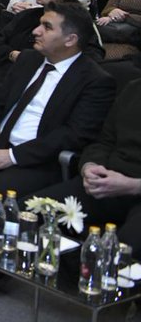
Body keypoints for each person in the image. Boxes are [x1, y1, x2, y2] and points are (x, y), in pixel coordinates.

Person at [0, 3, 115, 295]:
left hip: (39, 161)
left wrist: (11, 157)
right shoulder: (28, 60)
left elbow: (72, 137)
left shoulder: (95, 80)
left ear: (71, 39)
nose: (36, 31)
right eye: (40, 23)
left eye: (47, 27)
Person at [25, 78, 141, 253]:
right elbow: (104, 141)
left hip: (135, 187)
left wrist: (133, 186)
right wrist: (90, 166)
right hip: (108, 182)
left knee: (125, 250)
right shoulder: (134, 89)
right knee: (28, 214)